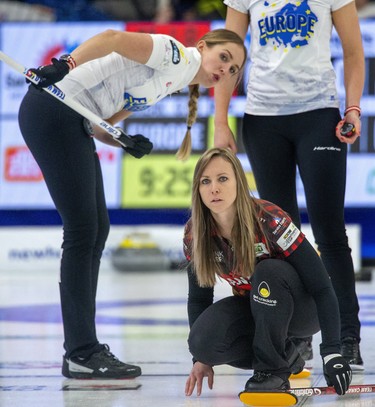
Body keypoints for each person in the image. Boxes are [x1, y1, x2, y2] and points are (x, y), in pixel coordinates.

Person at [18, 28, 247, 379]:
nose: (226, 71)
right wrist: (65, 65)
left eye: (234, 70)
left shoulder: (176, 78)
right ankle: (81, 351)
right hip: (54, 110)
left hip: (69, 119)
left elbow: (100, 127)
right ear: (202, 47)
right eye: (224, 58)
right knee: (83, 231)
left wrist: (122, 142)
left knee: (95, 230)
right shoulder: (174, 54)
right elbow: (111, 37)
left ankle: (83, 348)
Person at [213, 0, 365, 370]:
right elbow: (226, 54)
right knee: (280, 237)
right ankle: (297, 338)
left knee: (329, 231)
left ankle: (346, 337)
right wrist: (220, 122)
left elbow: (353, 49)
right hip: (263, 121)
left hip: (319, 115)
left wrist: (353, 108)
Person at [183, 147, 352, 396]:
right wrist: (199, 358)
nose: (214, 189)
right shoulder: (195, 234)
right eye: (205, 182)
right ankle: (285, 355)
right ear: (198, 189)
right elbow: (199, 299)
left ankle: (272, 372)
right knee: (202, 343)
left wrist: (332, 352)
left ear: (239, 182)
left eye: (222, 179)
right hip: (258, 307)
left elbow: (322, 287)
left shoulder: (268, 219)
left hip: (303, 310)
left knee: (268, 271)